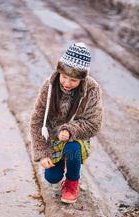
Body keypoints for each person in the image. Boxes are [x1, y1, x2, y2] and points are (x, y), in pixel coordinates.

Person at [30, 42, 102, 204]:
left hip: (75, 137)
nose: (67, 83)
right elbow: (37, 120)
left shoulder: (92, 90)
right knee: (52, 177)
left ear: (83, 78)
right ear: (59, 71)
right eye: (64, 77)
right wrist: (42, 152)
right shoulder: (49, 85)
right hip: (53, 137)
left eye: (74, 80)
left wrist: (70, 130)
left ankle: (71, 182)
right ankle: (60, 161)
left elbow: (94, 124)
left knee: (72, 148)